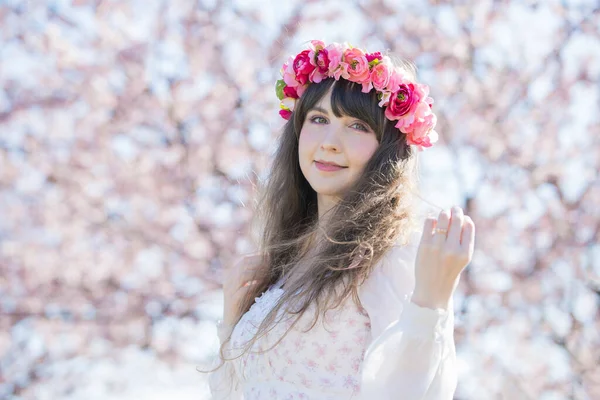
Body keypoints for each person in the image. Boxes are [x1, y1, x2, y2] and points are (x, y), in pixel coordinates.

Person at [201, 40, 475, 399]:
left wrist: (430, 305)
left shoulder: (391, 257)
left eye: (357, 126)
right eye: (318, 119)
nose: (330, 141)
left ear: (389, 148)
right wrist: (233, 323)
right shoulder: (284, 265)